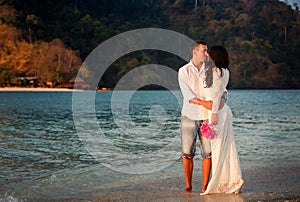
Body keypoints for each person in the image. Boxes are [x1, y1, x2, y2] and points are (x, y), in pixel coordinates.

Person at [190, 45, 244, 194]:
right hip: (223, 111)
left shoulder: (215, 71)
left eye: (209, 53)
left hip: (217, 112)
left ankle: (221, 183)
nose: (207, 55)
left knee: (219, 149)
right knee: (227, 147)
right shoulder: (224, 71)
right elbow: (223, 92)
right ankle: (231, 180)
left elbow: (217, 94)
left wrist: (213, 113)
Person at [178, 40, 213, 193]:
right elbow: (188, 96)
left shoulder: (211, 70)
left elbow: (221, 88)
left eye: (207, 50)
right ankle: (189, 185)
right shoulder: (183, 71)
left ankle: (206, 185)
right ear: (195, 52)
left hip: (207, 118)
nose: (207, 53)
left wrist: (222, 99)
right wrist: (206, 104)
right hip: (189, 116)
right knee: (187, 153)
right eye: (204, 50)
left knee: (208, 152)